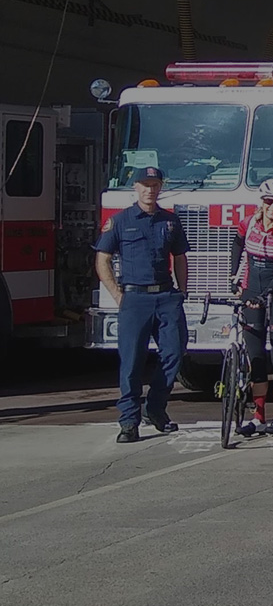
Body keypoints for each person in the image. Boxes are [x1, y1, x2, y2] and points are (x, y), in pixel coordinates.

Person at [94, 165, 190, 443]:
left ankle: (155, 408)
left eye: (155, 185)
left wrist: (182, 292)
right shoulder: (120, 221)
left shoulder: (170, 221)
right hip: (134, 299)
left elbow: (180, 257)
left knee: (174, 353)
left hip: (166, 297)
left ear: (161, 187)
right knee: (132, 362)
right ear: (135, 187)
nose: (150, 190)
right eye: (145, 185)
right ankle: (129, 422)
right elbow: (102, 259)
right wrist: (117, 295)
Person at [229, 178, 273, 438]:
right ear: (262, 202)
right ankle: (258, 416)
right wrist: (233, 276)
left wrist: (268, 292)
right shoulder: (248, 223)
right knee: (256, 356)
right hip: (251, 290)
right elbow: (237, 244)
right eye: (269, 201)